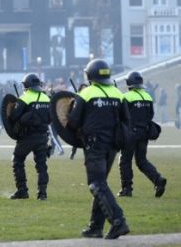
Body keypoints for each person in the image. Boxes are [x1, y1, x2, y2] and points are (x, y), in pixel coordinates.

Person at [68, 59, 130, 239]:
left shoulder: (86, 93)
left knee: (96, 184)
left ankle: (118, 221)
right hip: (113, 147)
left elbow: (72, 122)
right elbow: (126, 121)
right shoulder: (118, 93)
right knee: (101, 184)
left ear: (89, 75)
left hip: (94, 145)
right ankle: (95, 227)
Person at [118, 71, 167, 198]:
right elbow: (151, 115)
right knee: (141, 161)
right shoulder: (148, 96)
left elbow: (120, 115)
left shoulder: (126, 97)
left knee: (125, 161)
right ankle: (158, 180)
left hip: (130, 134)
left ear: (129, 83)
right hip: (144, 133)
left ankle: (126, 189)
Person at [8, 73, 50, 201]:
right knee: (42, 165)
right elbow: (51, 118)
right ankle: (42, 193)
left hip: (27, 137)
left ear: (26, 85)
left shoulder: (24, 98)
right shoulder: (46, 98)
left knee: (17, 160)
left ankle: (22, 191)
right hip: (43, 136)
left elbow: (13, 117)